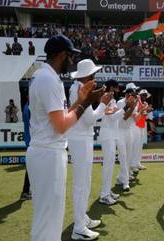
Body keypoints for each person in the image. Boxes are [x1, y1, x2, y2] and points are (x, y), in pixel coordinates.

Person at [26, 34, 100, 241]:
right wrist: (86, 104)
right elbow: (60, 126)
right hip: (48, 153)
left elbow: (61, 117)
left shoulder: (44, 77)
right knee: (49, 220)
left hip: (46, 151)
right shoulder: (49, 80)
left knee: (47, 218)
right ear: (61, 55)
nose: (72, 61)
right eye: (70, 56)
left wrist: (80, 100)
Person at [67, 59, 112, 240]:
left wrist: (97, 98)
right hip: (80, 138)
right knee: (81, 183)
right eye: (93, 75)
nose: (95, 77)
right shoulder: (79, 90)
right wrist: (102, 103)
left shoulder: (78, 88)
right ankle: (78, 227)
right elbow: (89, 119)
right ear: (87, 76)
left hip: (81, 138)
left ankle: (82, 218)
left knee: (85, 181)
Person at [98, 79, 135, 205]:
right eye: (116, 88)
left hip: (112, 134)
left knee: (111, 165)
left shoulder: (112, 100)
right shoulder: (106, 98)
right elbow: (112, 117)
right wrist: (126, 107)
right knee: (108, 166)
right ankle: (104, 195)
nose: (118, 90)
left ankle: (107, 192)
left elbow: (114, 115)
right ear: (112, 88)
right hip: (107, 135)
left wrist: (123, 108)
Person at [116, 83, 139, 191]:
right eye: (130, 95)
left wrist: (143, 112)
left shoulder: (133, 103)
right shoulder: (120, 103)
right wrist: (132, 106)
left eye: (133, 96)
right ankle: (126, 182)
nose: (131, 97)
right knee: (123, 156)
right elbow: (124, 117)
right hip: (119, 131)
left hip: (129, 131)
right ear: (126, 95)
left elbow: (135, 119)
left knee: (128, 157)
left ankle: (120, 178)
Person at [131, 89, 153, 173]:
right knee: (135, 146)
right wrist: (145, 111)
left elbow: (146, 116)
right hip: (135, 125)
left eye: (145, 95)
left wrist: (148, 111)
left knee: (140, 145)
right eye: (143, 95)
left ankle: (137, 163)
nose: (144, 96)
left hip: (142, 125)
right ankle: (132, 164)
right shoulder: (137, 102)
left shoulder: (145, 104)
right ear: (140, 95)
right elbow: (136, 113)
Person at [20, 97, 31, 201]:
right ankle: (26, 191)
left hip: (30, 140)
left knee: (31, 167)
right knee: (31, 167)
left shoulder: (26, 106)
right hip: (32, 141)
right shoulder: (29, 108)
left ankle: (26, 191)